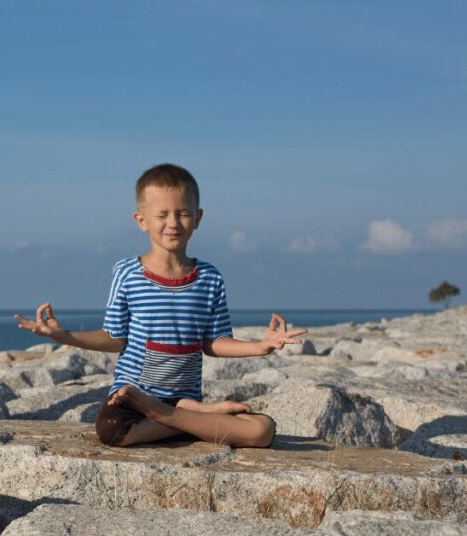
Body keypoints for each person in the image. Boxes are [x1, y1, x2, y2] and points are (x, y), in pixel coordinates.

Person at [16, 163, 306, 448]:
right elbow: (115, 338)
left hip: (181, 399)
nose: (173, 223)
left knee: (263, 430)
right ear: (141, 220)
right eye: (162, 215)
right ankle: (195, 420)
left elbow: (214, 342)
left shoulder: (209, 278)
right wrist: (62, 336)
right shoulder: (127, 273)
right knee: (112, 430)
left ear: (198, 217)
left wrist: (261, 346)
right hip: (133, 397)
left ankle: (172, 416)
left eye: (182, 214)